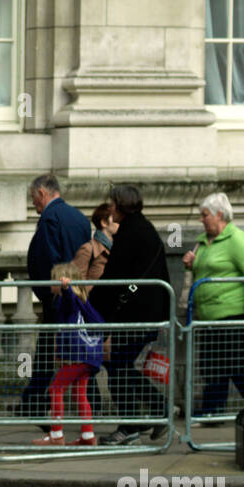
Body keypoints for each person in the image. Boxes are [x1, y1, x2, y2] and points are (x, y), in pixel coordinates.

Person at [98, 184, 172, 445]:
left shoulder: (131, 234)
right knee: (120, 365)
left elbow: (113, 279)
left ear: (120, 205)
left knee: (117, 365)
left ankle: (130, 426)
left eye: (112, 204)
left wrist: (92, 306)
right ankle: (159, 408)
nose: (109, 208)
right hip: (146, 314)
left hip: (132, 316)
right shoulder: (144, 229)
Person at [18, 173, 92, 424]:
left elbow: (47, 257)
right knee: (78, 349)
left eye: (33, 198)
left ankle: (35, 403)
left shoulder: (50, 217)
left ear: (42, 193)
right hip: (79, 292)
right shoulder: (80, 217)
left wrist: (48, 291)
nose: (34, 205)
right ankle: (89, 402)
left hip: (58, 293)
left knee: (48, 350)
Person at [182, 193, 244, 417]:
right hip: (208, 317)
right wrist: (190, 265)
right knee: (212, 366)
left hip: (232, 315)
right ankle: (212, 410)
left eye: (204, 215)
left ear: (219, 215)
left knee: (241, 366)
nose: (201, 219)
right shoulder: (203, 241)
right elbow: (205, 271)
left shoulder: (236, 239)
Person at [32, 263, 104, 448]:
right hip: (88, 357)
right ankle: (88, 435)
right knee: (80, 394)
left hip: (77, 356)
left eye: (53, 278)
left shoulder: (70, 300)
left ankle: (56, 434)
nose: (50, 282)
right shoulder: (84, 302)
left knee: (55, 389)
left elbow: (68, 302)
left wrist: (66, 290)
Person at [72, 202, 117, 281]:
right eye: (115, 219)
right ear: (104, 223)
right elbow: (77, 285)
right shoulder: (88, 249)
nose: (119, 223)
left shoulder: (119, 248)